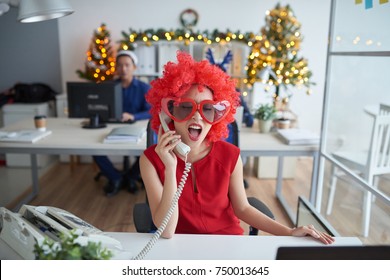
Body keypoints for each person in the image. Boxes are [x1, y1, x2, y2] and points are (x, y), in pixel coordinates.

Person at [139, 51, 335, 244]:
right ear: (168, 113)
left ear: (216, 117)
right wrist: (171, 168)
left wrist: (289, 232)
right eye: (186, 107)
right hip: (180, 246)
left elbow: (243, 208)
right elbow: (166, 231)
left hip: (229, 243)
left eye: (207, 109)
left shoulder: (230, 156)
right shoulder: (150, 160)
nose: (197, 116)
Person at [93, 50, 151, 197]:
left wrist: (133, 116)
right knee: (94, 149)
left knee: (147, 152)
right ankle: (116, 178)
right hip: (111, 127)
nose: (123, 69)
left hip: (136, 128)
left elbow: (151, 111)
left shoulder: (144, 88)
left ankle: (131, 177)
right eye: (120, 65)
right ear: (116, 68)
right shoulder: (108, 86)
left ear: (134, 67)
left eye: (127, 65)